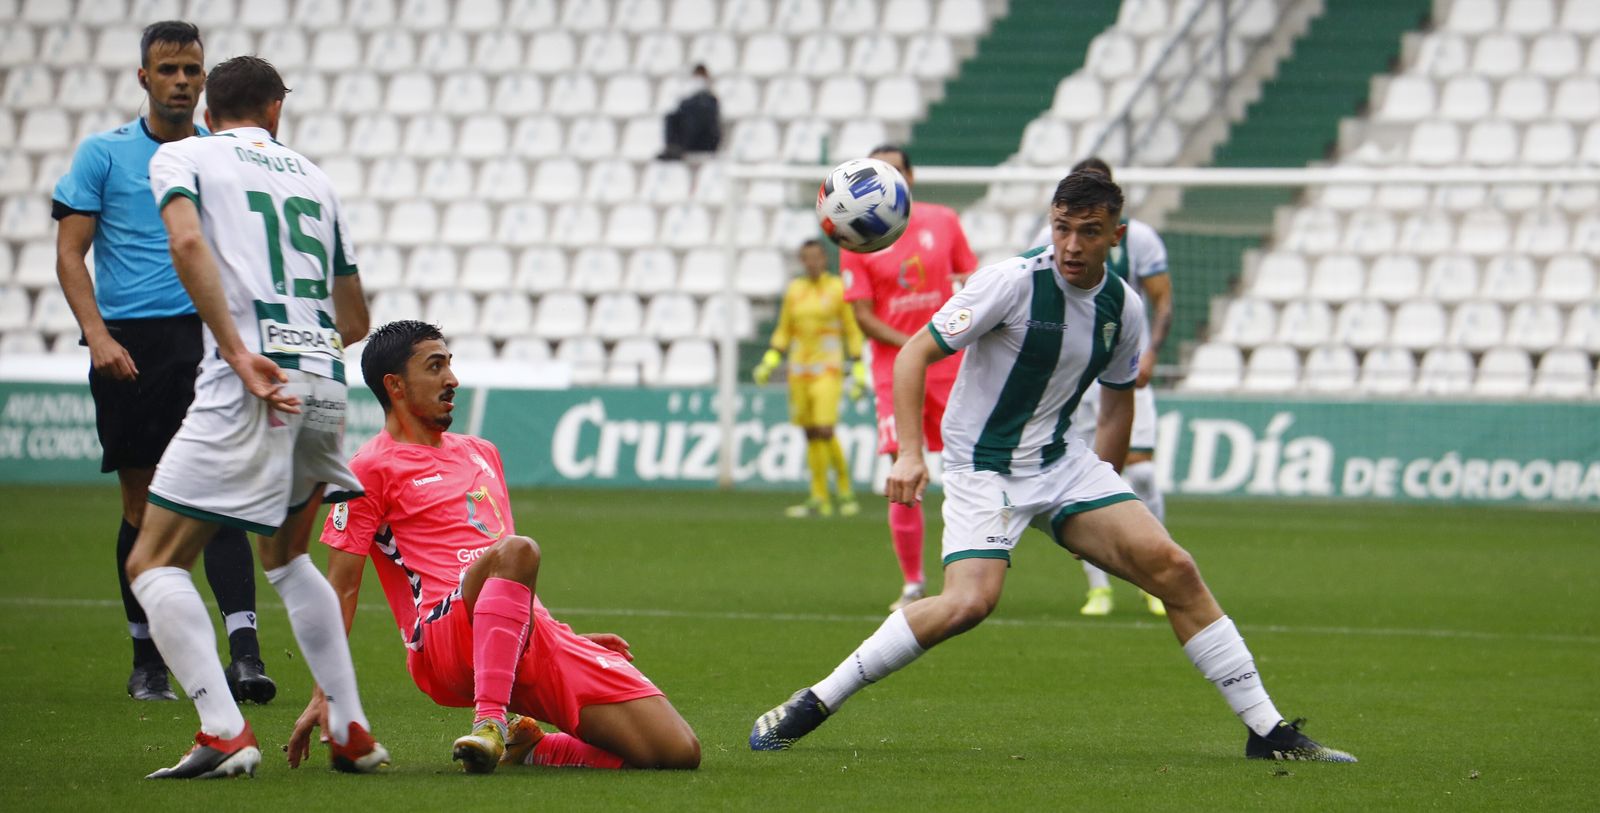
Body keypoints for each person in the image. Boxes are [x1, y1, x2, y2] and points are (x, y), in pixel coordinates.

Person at [749, 171, 1356, 764]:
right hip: (983, 467)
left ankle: (1267, 731)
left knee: (1175, 568)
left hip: (1063, 464)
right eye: (1062, 227)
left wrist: (1106, 503)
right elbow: (913, 354)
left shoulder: (1124, 308)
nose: (1071, 244)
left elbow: (1118, 407)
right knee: (968, 604)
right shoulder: (1009, 283)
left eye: (1089, 231)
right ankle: (817, 700)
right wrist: (911, 452)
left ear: (1115, 235)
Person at [123, 55, 387, 779]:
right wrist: (306, 351)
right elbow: (357, 315)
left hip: (251, 378)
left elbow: (185, 241)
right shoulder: (315, 177)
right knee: (287, 555)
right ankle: (351, 725)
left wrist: (241, 353)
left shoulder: (185, 155)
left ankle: (223, 728)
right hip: (324, 379)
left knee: (151, 559)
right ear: (276, 108)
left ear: (211, 109)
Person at [292, 320, 701, 774]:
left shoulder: (482, 451)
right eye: (435, 367)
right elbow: (341, 587)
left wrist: (549, 630)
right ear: (395, 386)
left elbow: (503, 571)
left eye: (450, 364)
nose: (452, 379)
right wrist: (323, 690)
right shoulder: (367, 470)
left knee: (677, 752)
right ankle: (490, 722)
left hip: (515, 631)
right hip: (440, 641)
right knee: (518, 549)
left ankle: (535, 747)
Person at [51, 20, 274, 705]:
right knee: (143, 503)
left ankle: (245, 654)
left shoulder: (222, 154)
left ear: (206, 80)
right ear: (143, 77)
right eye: (169, 69)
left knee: (224, 493)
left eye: (192, 70)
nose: (181, 79)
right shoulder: (104, 154)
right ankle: (147, 658)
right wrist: (97, 335)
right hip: (132, 346)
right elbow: (69, 253)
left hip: (210, 338)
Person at [1028, 157, 1173, 618]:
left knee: (1143, 473)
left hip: (1124, 372)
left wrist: (1149, 352)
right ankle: (1099, 587)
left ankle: (1153, 574)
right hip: (1075, 380)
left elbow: (1163, 298)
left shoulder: (1139, 237)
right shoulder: (1045, 241)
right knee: (1079, 485)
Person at [842, 145, 978, 611]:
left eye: (894, 172)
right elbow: (862, 315)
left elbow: (973, 282)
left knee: (973, 466)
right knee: (903, 472)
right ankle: (913, 583)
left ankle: (972, 570)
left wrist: (946, 338)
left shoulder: (943, 220)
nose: (884, 182)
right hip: (895, 372)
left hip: (952, 367)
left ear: (910, 177)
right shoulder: (856, 237)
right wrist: (916, 349)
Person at [753, 239, 868, 518]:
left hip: (828, 369)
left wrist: (858, 367)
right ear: (802, 261)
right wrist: (770, 360)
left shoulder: (838, 288)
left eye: (816, 257)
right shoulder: (795, 290)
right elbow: (784, 329)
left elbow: (852, 329)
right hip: (799, 370)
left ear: (824, 259)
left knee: (825, 428)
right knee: (810, 432)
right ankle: (819, 497)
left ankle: (844, 489)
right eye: (807, 258)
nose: (812, 262)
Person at [657, 64, 721, 161]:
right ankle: (673, 147)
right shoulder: (686, 101)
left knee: (695, 116)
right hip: (688, 139)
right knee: (671, 117)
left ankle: (679, 148)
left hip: (705, 141)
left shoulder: (711, 99)